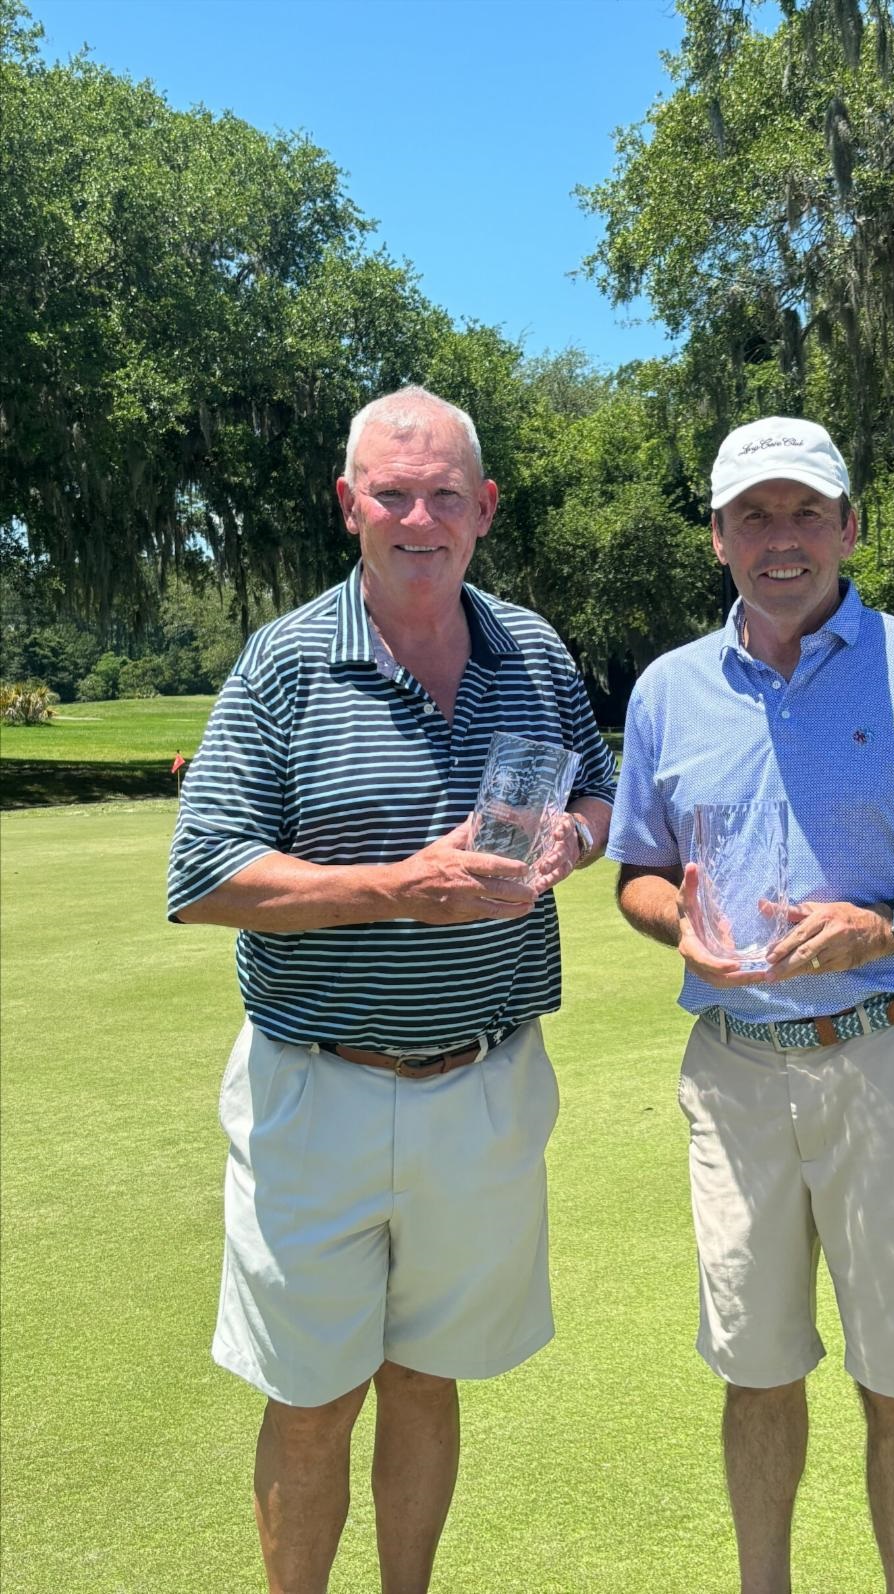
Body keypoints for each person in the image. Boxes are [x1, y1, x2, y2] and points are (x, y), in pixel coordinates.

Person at [167, 386, 615, 1594]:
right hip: (319, 1093)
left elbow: (596, 794)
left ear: (485, 508)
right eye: (393, 492)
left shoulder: (535, 648)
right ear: (347, 503)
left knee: (429, 1376)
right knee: (311, 1400)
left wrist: (577, 838)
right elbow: (208, 875)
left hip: (485, 1082)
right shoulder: (285, 663)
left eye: (446, 495)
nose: (421, 517)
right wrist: (392, 884)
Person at [607, 417, 894, 1594]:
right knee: (755, 1373)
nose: (782, 539)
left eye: (806, 511)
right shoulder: (667, 690)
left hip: (890, 1059)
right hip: (736, 1069)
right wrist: (678, 926)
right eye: (752, 516)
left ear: (852, 527)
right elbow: (637, 875)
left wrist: (892, 925)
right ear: (715, 538)